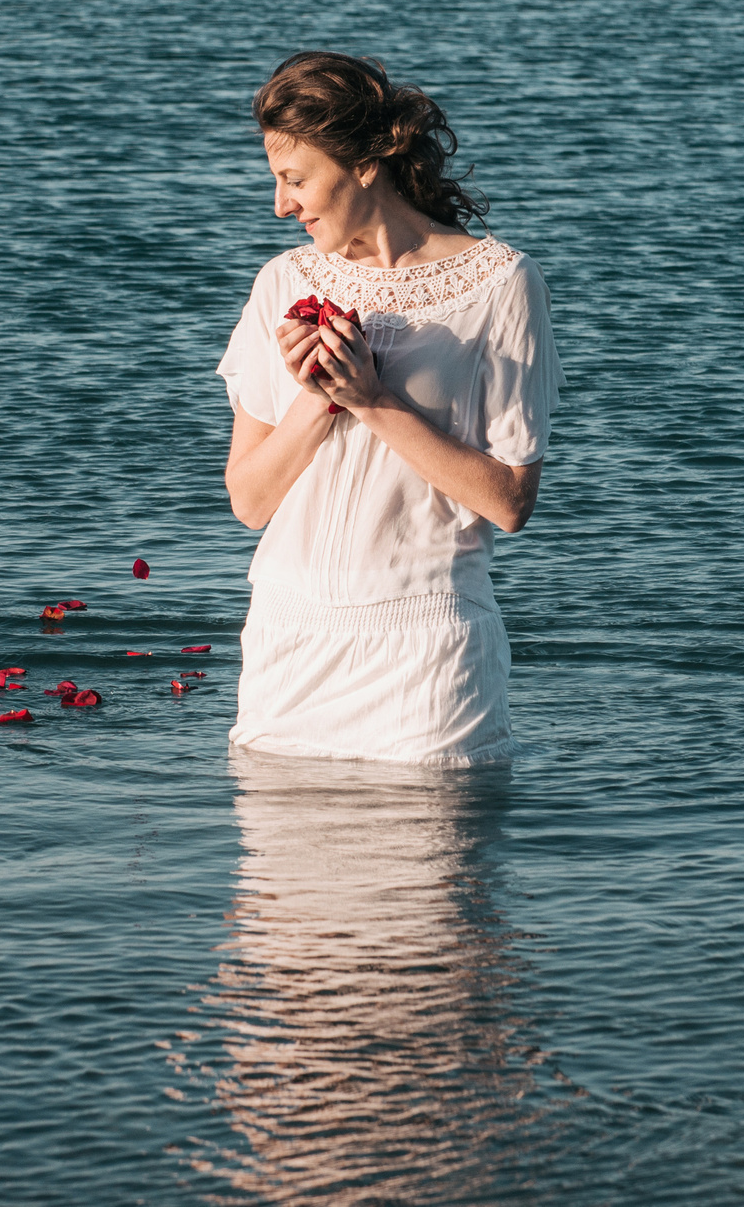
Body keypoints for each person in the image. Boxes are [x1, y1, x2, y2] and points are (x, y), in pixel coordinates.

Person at [217, 52, 559, 763]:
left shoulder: (501, 285)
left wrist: (373, 400)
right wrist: (319, 401)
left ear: (366, 162)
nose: (281, 204)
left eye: (295, 178)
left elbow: (509, 502)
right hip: (289, 647)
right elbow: (249, 501)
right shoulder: (282, 281)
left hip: (427, 664)